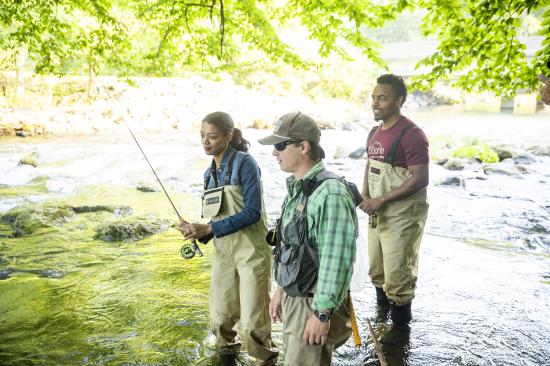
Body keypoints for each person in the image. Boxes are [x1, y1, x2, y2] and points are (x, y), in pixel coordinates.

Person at [259, 111, 357, 366]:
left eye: (280, 145)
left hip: (314, 304)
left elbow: (335, 260)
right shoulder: (297, 187)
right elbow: (291, 246)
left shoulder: (331, 194)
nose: (274, 153)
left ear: (303, 146)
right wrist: (281, 290)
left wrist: (322, 315)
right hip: (296, 297)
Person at [181, 111, 277, 365]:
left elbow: (253, 213)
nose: (205, 141)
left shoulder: (246, 164)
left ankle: (266, 358)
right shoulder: (207, 174)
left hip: (252, 253)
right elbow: (215, 220)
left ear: (229, 135)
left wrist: (210, 229)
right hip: (223, 253)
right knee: (221, 317)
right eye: (202, 136)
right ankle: (226, 356)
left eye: (212, 136)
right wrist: (196, 231)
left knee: (255, 320)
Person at [359, 74, 429, 329]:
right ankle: (380, 325)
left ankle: (399, 338)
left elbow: (421, 178)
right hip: (378, 212)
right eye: (374, 98)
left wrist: (382, 198)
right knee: (377, 271)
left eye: (382, 98)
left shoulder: (412, 134)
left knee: (398, 278)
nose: (375, 103)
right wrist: (365, 194)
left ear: (399, 100)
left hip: (403, 215)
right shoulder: (374, 133)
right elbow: (370, 165)